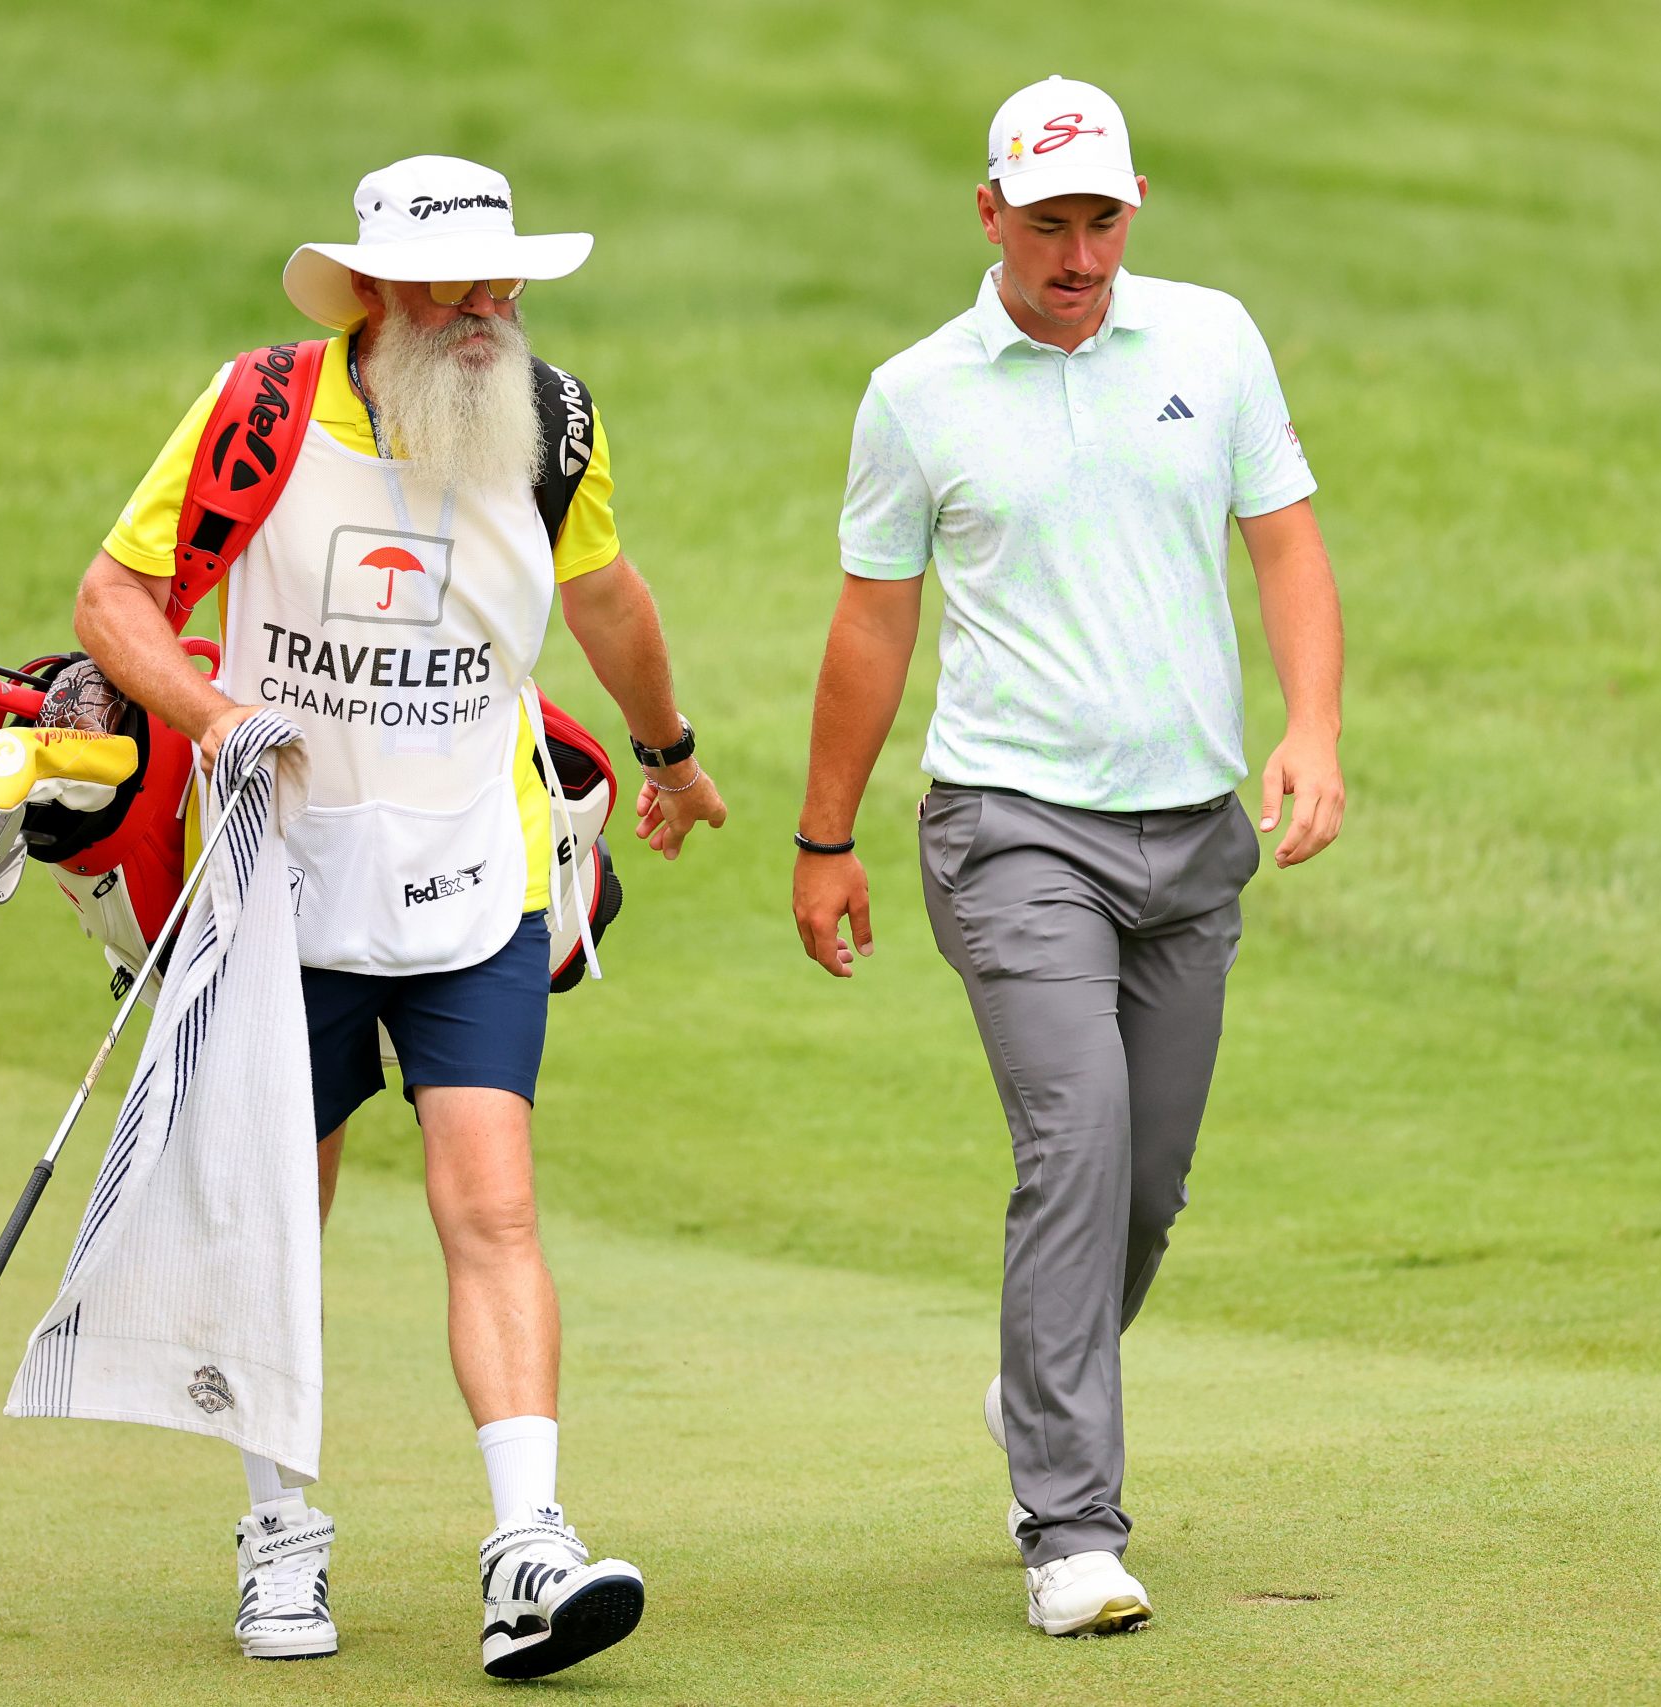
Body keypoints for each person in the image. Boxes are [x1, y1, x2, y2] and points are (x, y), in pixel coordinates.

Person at [72, 154, 725, 1677]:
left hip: (474, 875)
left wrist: (671, 755)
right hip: (277, 881)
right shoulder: (258, 411)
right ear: (371, 290)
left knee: (490, 1203)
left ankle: (527, 1545)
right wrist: (212, 711)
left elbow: (609, 598)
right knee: (277, 1222)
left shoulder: (550, 420)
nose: (482, 310)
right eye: (447, 285)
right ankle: (279, 1535)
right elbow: (113, 603)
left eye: (501, 281)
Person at [790, 77, 1346, 1637]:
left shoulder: (1214, 339)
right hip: (1010, 829)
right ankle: (1071, 1531)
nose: (1080, 254)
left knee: (1149, 1191)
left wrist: (1312, 726)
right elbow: (870, 623)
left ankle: (1039, 1389)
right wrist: (823, 838)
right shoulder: (916, 395)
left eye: (1104, 220)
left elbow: (1286, 537)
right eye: (1049, 224)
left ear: (1133, 207)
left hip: (1193, 833)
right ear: (990, 219)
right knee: (1078, 1151)